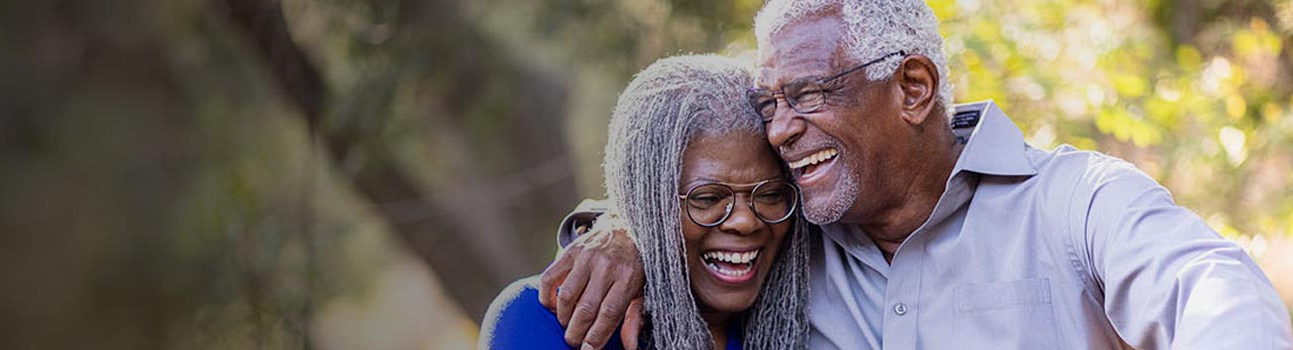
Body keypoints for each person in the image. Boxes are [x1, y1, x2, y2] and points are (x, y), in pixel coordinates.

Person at [539, 0, 1293, 349]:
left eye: (807, 94)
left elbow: (1212, 290)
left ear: (913, 89)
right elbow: (703, 199)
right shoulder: (790, 237)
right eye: (771, 102)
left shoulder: (1076, 203)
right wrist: (624, 231)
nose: (779, 128)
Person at [480, 55, 811, 350]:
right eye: (707, 198)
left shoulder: (810, 300)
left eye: (770, 194)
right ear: (646, 203)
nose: (745, 221)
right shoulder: (541, 321)